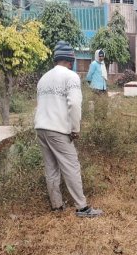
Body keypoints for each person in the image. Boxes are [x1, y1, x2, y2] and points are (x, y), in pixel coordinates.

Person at [34, 41, 103, 218]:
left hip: (41, 127)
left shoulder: (44, 78)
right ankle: (82, 208)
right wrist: (75, 129)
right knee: (71, 165)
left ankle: (57, 205)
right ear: (70, 60)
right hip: (57, 129)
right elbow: (74, 104)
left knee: (51, 167)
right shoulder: (71, 77)